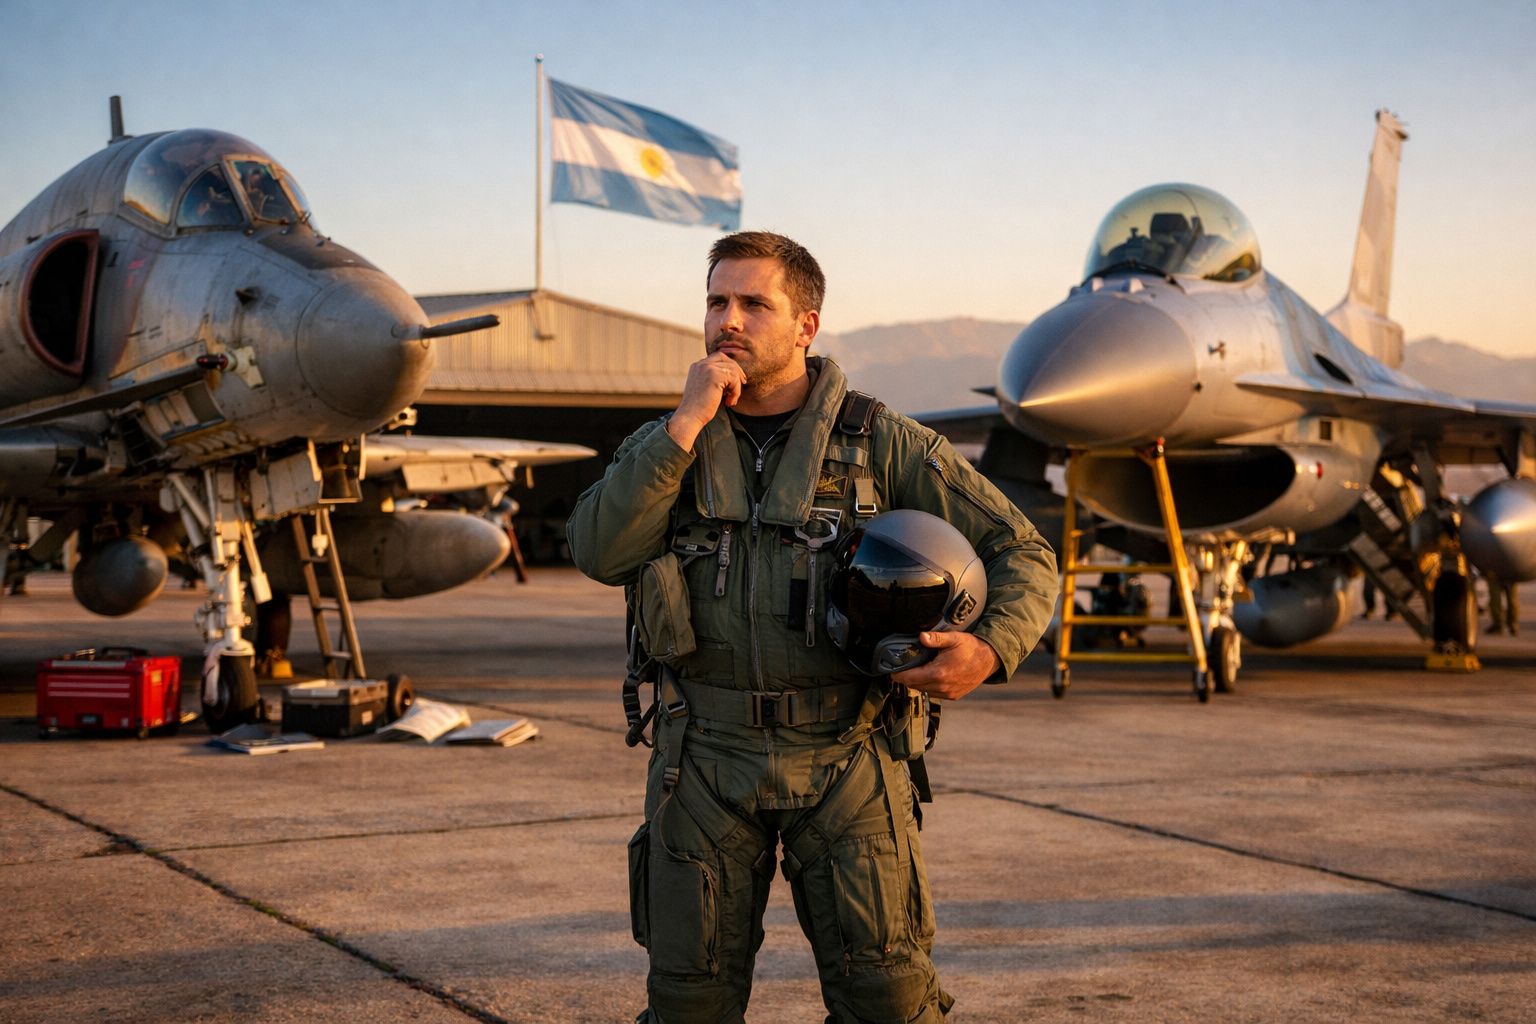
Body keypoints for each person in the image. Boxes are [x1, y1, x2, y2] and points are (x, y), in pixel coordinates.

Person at [567, 231, 1058, 1023]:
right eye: (716, 301)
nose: (729, 320)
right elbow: (597, 550)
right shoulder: (666, 445)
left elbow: (1021, 549)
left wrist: (992, 647)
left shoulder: (883, 442)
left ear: (806, 326)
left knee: (887, 1000)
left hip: (849, 753)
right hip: (704, 757)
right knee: (687, 1004)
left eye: (755, 303)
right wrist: (684, 428)